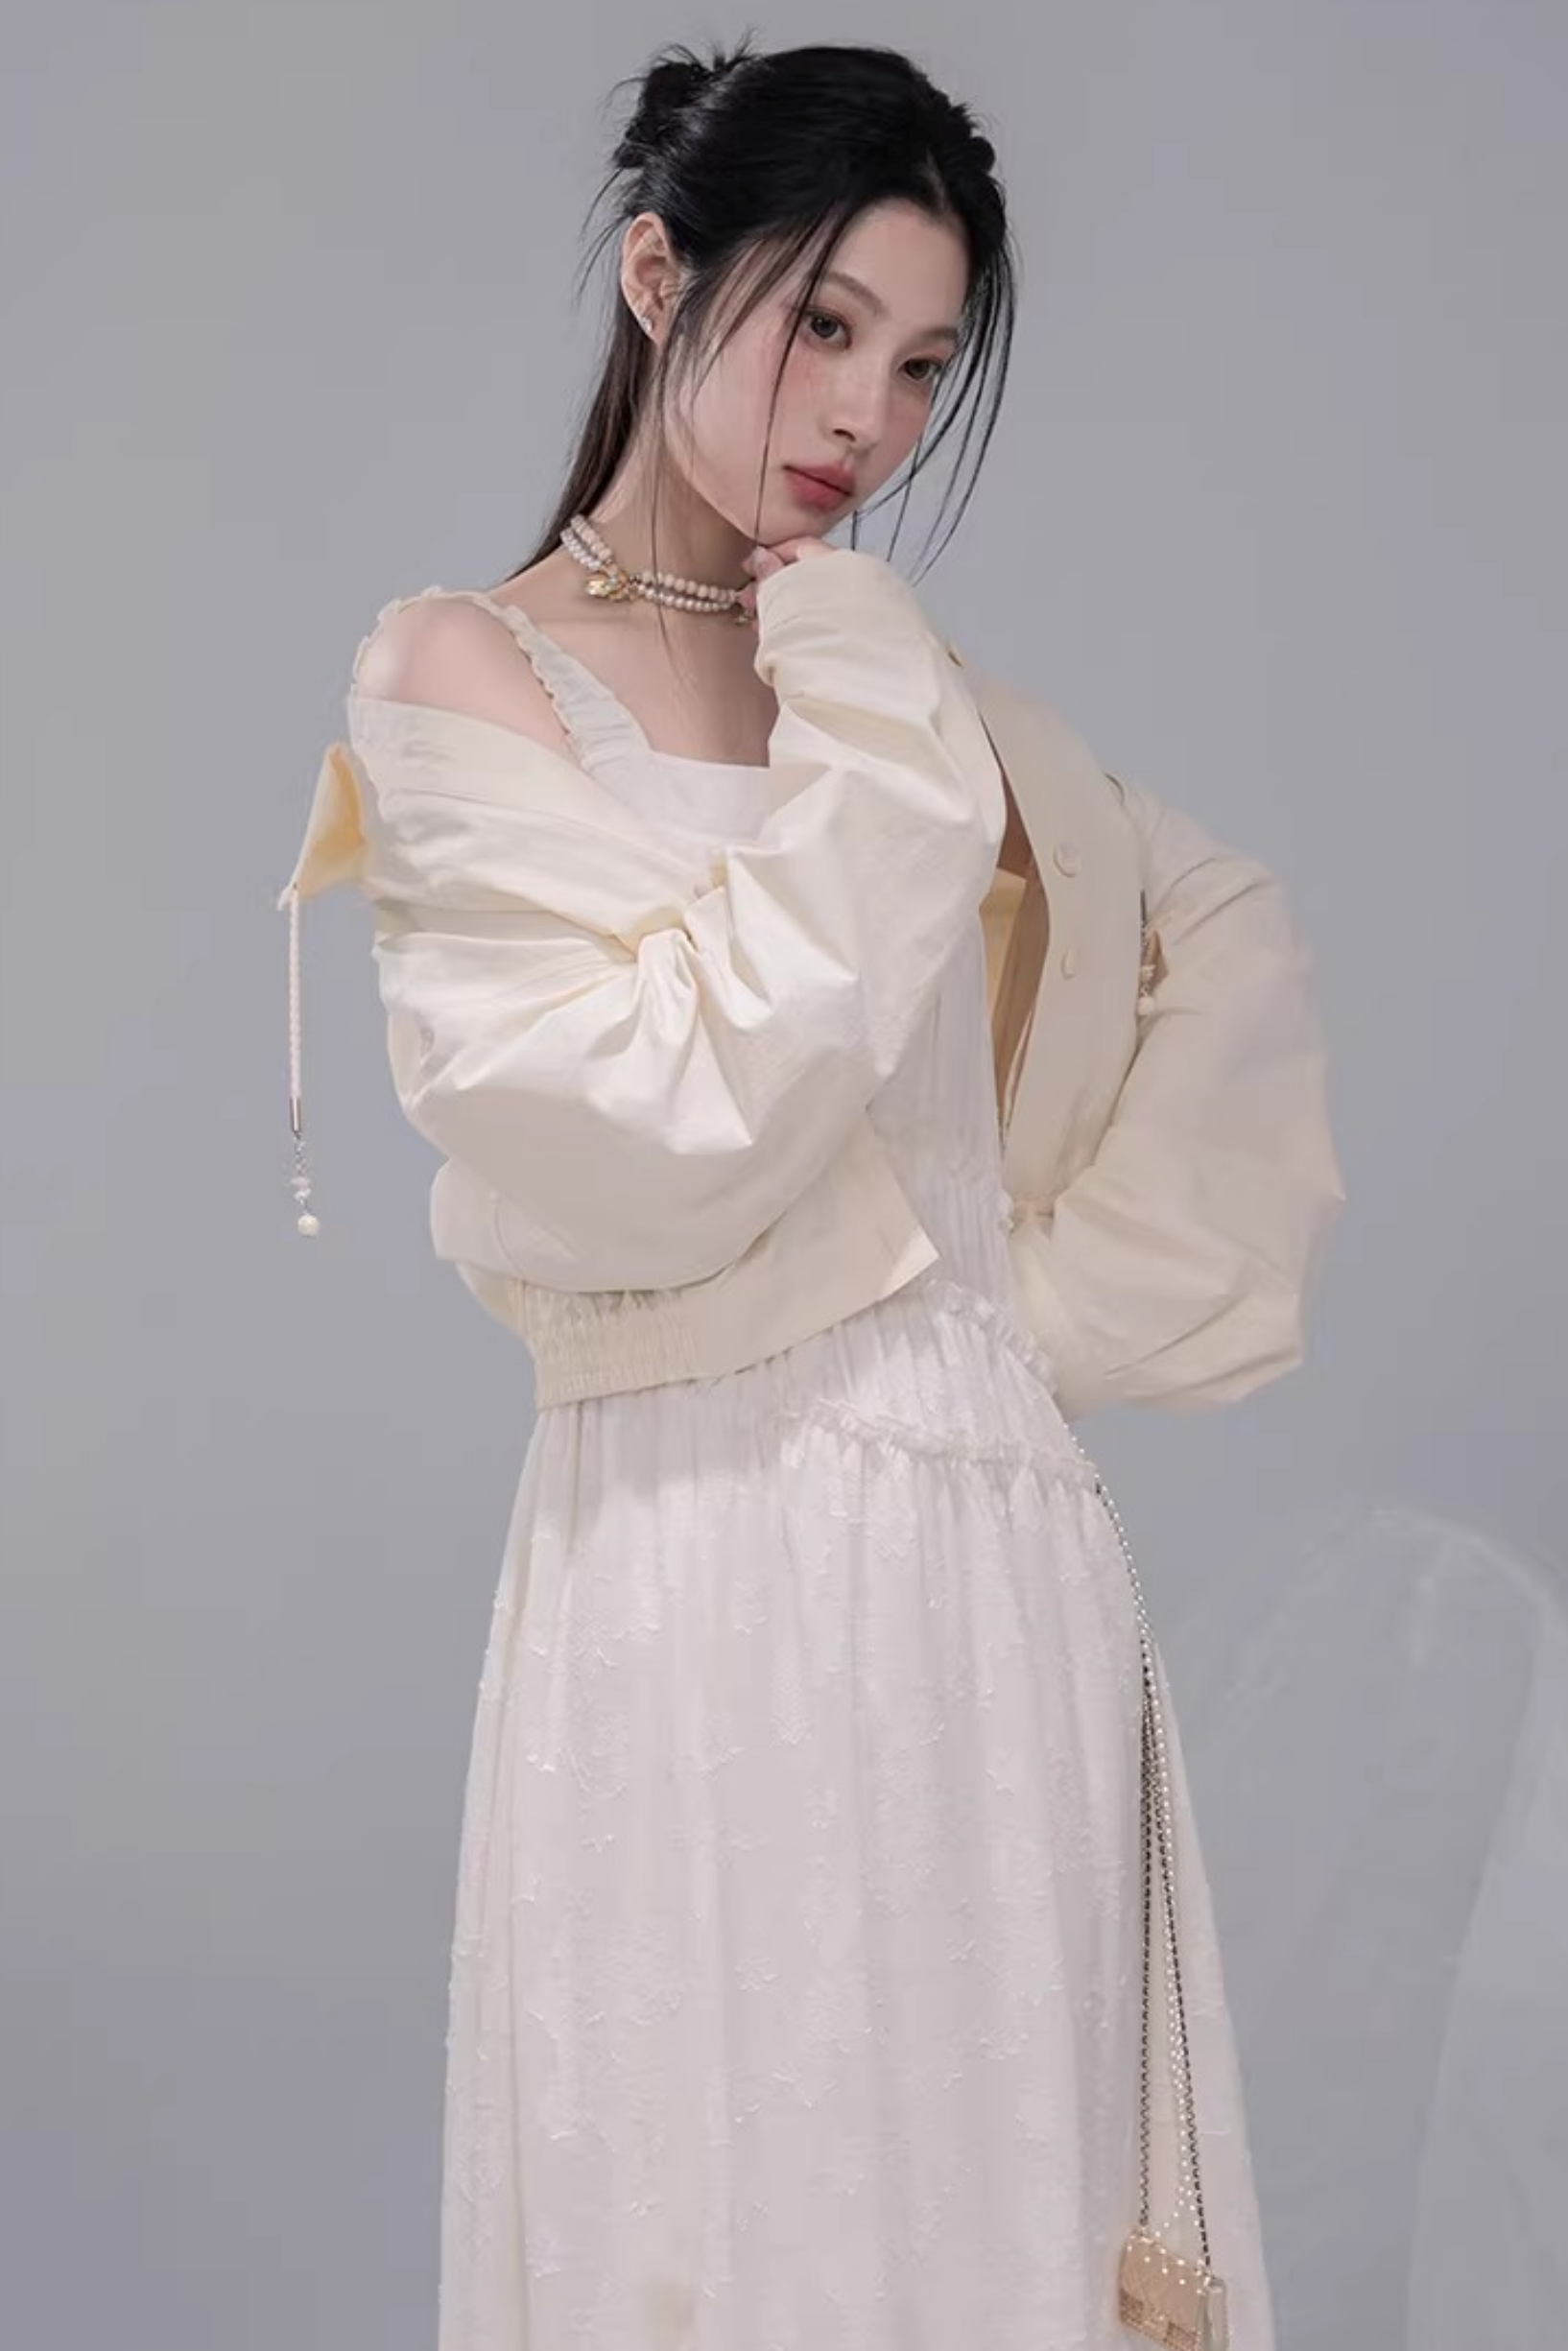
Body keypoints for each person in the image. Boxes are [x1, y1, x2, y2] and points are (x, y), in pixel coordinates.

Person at [278, 36, 1342, 2350]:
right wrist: (870, 715)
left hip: (991, 1585)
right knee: (728, 2222)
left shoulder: (897, 690)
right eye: (823, 322)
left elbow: (1215, 932)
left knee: (999, 2236)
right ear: (660, 278)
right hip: (693, 1569)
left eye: (923, 363)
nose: (863, 413)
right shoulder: (469, 670)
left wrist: (1009, 1327)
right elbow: (657, 1124)